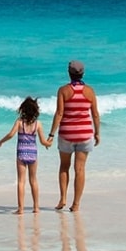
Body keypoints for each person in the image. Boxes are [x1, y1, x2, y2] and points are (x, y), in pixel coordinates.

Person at [49, 60, 100, 211]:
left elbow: (59, 113)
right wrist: (97, 133)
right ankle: (76, 204)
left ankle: (63, 199)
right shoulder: (90, 91)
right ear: (83, 73)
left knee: (64, 166)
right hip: (85, 134)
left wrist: (51, 134)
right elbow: (95, 114)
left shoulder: (63, 90)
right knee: (80, 169)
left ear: (69, 73)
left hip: (66, 134)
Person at [0, 96, 51, 214]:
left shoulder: (20, 122)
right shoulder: (38, 124)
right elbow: (42, 141)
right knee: (33, 180)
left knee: (21, 181)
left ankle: (20, 208)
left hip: (21, 153)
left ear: (23, 109)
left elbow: (11, 134)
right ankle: (36, 207)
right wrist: (48, 143)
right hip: (33, 154)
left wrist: (1, 141)